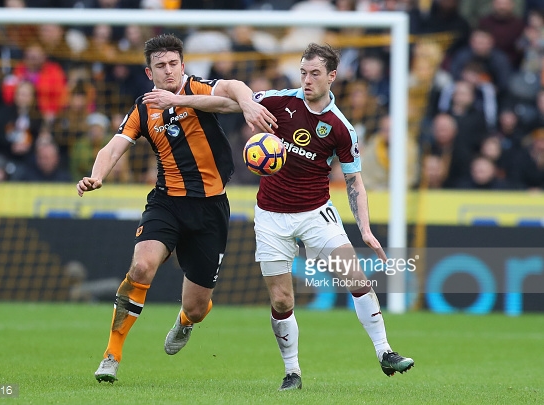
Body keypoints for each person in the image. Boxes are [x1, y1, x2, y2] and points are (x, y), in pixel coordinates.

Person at [150, 43, 414, 391]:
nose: (306, 80)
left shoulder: (340, 127)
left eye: (315, 74)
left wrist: (364, 228)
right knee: (281, 299)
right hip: (272, 216)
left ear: (332, 77)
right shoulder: (279, 101)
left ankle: (385, 352)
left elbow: (354, 182)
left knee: (357, 278)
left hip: (316, 213)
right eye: (303, 72)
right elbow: (229, 103)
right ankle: (293, 372)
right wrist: (181, 100)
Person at [78, 33, 276, 384]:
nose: (168, 71)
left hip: (211, 210)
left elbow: (234, 87)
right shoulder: (144, 107)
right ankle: (111, 354)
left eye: (173, 64)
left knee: (197, 308)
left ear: (183, 66)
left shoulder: (196, 89)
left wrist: (248, 105)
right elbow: (112, 147)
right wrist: (96, 176)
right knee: (141, 266)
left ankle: (185, 322)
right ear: (148, 71)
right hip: (167, 203)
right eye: (160, 66)